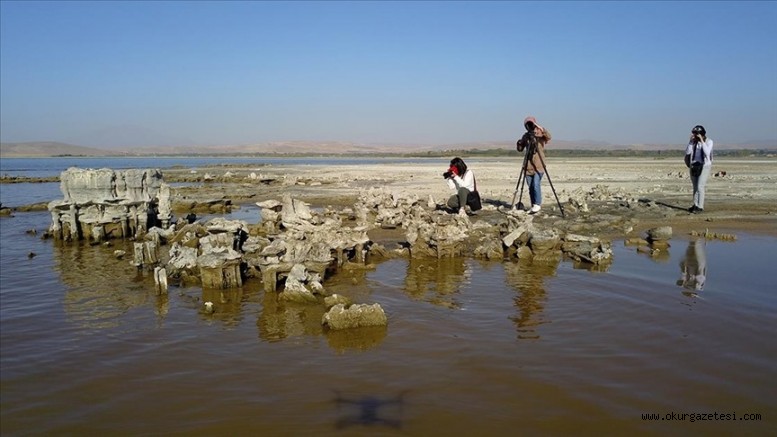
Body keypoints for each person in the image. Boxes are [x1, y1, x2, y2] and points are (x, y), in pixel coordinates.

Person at [516, 116, 552, 214]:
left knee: (536, 184)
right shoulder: (526, 136)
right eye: (528, 125)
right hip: (528, 167)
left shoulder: (540, 135)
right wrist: (519, 143)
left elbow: (549, 136)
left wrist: (540, 128)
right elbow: (520, 149)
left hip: (539, 165)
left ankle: (537, 204)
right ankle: (534, 205)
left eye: (531, 124)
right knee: (531, 186)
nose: (530, 126)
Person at [684, 125, 713, 213]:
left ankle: (700, 206)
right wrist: (690, 141)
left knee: (700, 186)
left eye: (698, 134)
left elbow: (707, 152)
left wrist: (702, 141)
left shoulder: (709, 141)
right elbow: (688, 152)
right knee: (695, 186)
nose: (696, 136)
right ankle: (695, 204)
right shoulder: (693, 142)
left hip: (704, 166)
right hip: (694, 165)